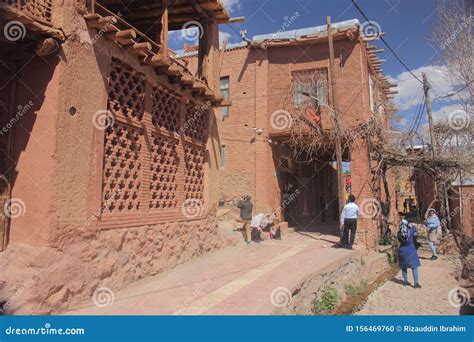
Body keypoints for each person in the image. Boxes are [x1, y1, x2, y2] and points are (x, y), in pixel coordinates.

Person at [398, 218, 421, 288]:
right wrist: (411, 225)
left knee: (404, 267)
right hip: (411, 251)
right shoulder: (411, 231)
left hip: (402, 251)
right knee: (414, 267)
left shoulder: (398, 233)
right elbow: (415, 228)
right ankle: (416, 283)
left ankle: (405, 281)